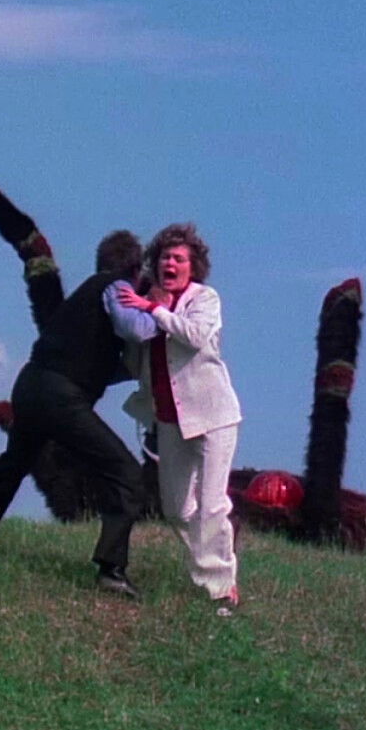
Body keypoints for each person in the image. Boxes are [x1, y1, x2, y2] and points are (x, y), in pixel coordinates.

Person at [0, 231, 147, 600]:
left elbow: (93, 365)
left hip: (30, 385)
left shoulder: (87, 299)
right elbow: (137, 329)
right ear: (135, 268)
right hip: (60, 396)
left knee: (10, 468)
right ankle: (112, 571)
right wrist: (160, 311)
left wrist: (134, 370)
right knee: (125, 473)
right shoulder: (117, 287)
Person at [109, 223, 243, 614]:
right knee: (176, 509)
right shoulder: (147, 302)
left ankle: (222, 588)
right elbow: (136, 356)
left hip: (214, 415)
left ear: (193, 266)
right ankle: (209, 564)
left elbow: (195, 336)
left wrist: (156, 311)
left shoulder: (204, 299)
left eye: (180, 259)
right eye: (166, 257)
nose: (171, 263)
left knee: (212, 504)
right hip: (170, 420)